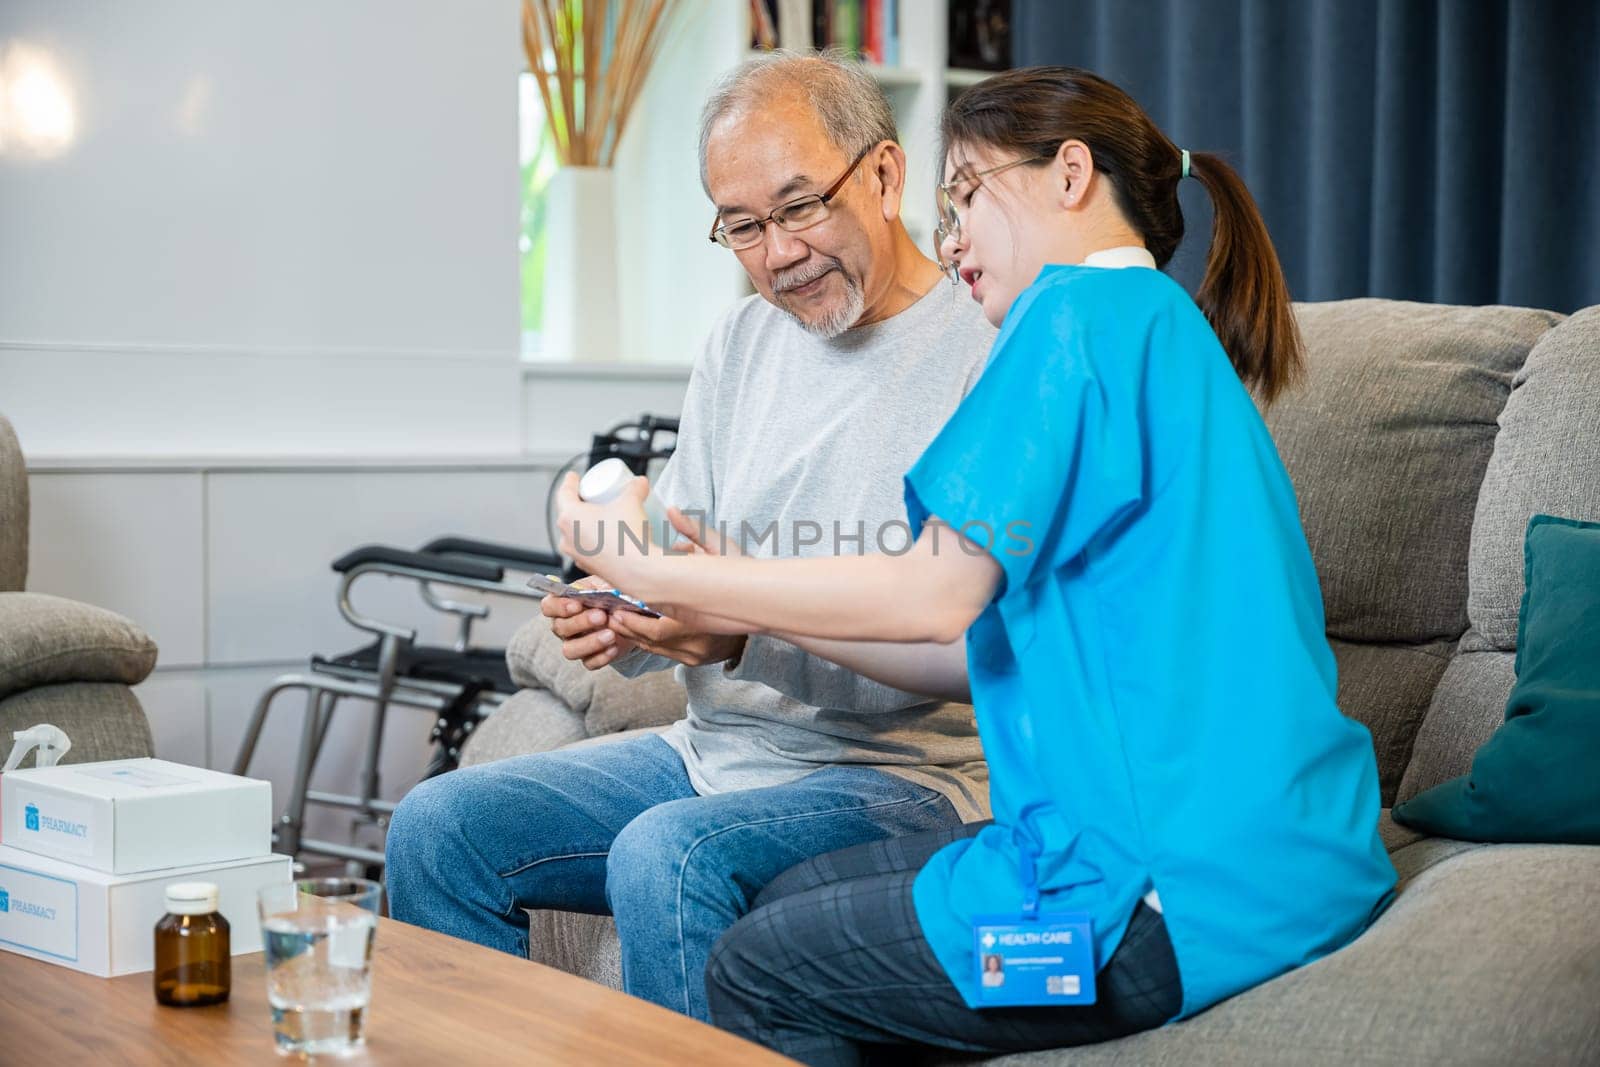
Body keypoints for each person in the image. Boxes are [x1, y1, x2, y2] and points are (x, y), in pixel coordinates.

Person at [555, 66, 1398, 1065]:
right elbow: (957, 649)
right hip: (1297, 870)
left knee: (757, 965)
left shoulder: (1072, 317)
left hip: (1150, 912)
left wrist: (669, 573)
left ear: (1070, 175)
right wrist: (740, 607)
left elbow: (932, 589)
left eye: (965, 196)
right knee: (805, 913)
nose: (950, 240)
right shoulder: (1163, 329)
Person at [382, 52, 996, 1023]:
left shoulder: (983, 348)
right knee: (437, 827)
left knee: (668, 851)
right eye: (742, 225)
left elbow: (962, 636)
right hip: (713, 749)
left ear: (884, 174)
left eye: (799, 207)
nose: (776, 253)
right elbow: (702, 594)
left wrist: (724, 612)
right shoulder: (738, 346)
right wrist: (636, 622)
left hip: (909, 778)